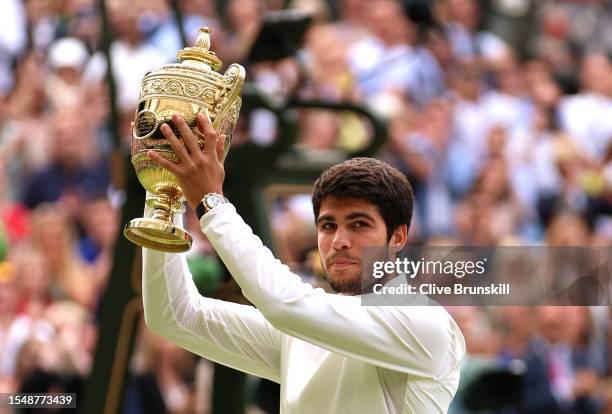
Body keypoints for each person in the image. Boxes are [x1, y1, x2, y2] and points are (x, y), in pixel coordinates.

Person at [142, 112, 466, 413]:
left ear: (398, 237)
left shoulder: (423, 321)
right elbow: (174, 315)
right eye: (328, 226)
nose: (339, 240)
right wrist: (163, 193)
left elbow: (283, 304)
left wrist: (211, 202)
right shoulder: (301, 328)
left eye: (359, 224)